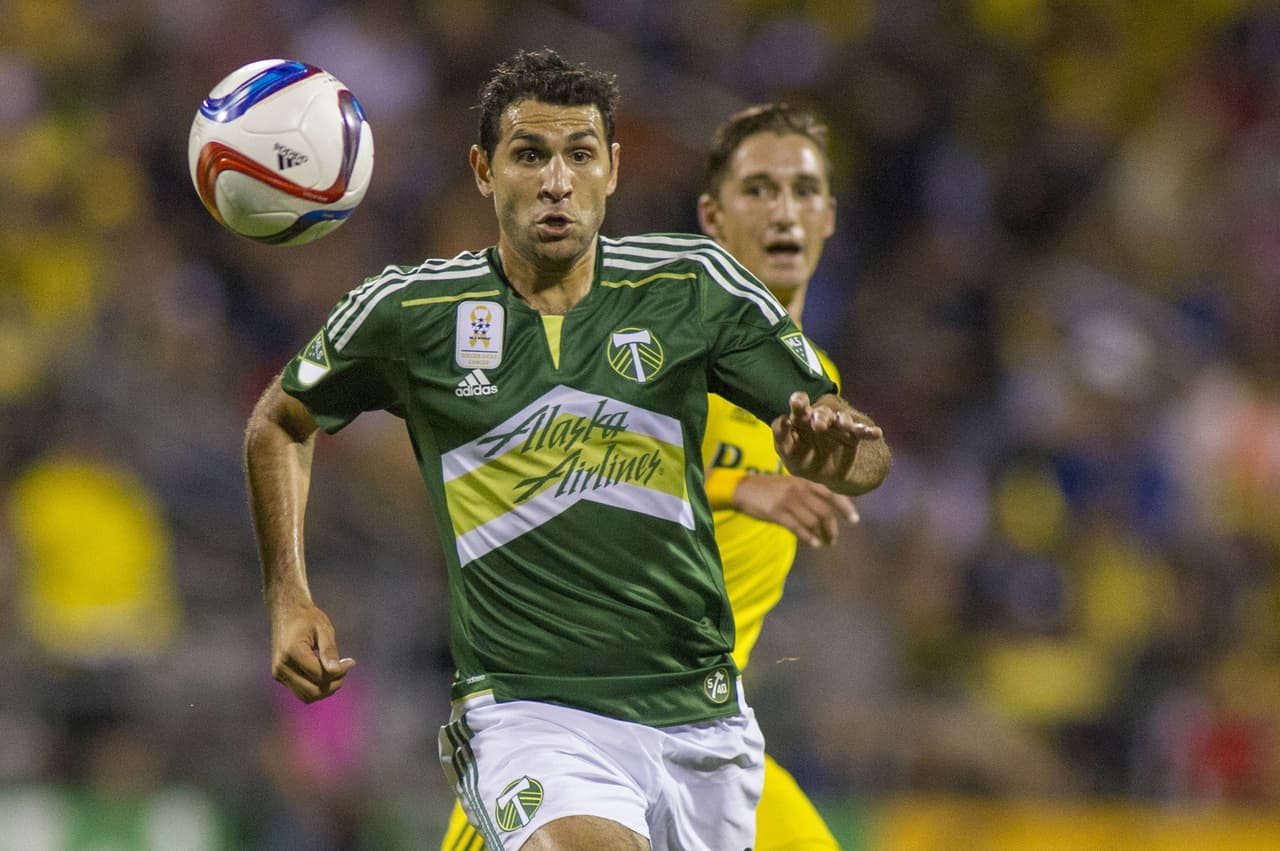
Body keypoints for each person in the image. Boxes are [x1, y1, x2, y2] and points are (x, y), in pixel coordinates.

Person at [244, 48, 890, 851]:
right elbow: (278, 422)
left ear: (612, 168)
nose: (557, 181)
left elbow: (862, 451)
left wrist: (838, 458)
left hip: (700, 720)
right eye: (529, 154)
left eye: (579, 155)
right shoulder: (411, 312)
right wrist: (287, 594)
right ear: (483, 170)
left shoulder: (692, 287)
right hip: (530, 714)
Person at [442, 102, 855, 850]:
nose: (784, 211)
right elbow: (545, 479)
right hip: (568, 718)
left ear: (828, 216)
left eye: (804, 191)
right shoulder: (654, 340)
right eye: (759, 189)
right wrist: (737, 487)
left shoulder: (813, 381)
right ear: (712, 217)